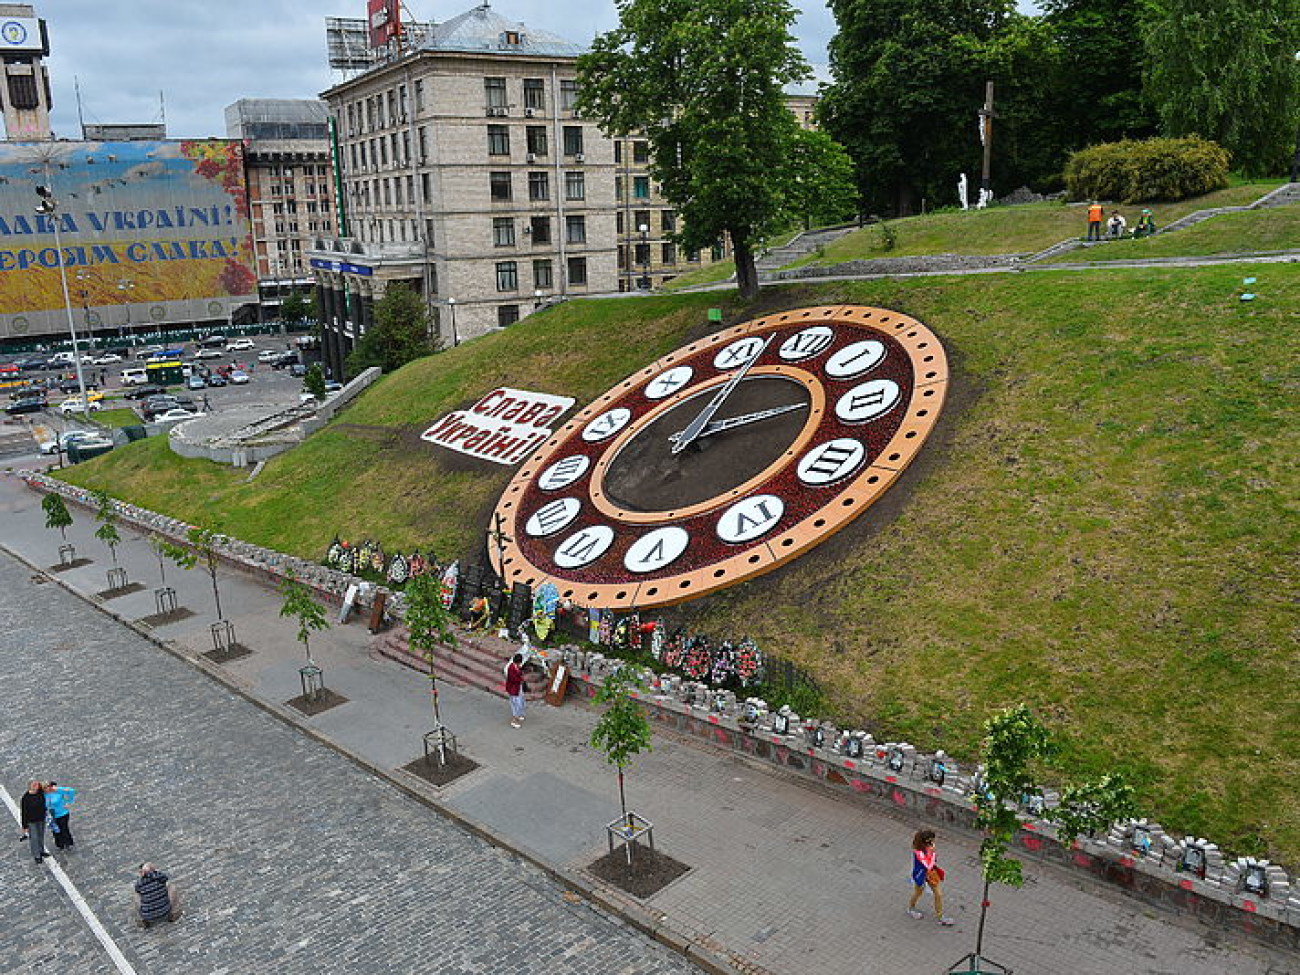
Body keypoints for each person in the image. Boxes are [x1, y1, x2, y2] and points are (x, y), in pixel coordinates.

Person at [907, 829, 954, 925]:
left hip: (930, 874)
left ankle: (940, 916)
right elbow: (927, 864)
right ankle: (911, 908)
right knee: (918, 892)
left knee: (938, 894)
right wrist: (932, 853)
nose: (934, 842)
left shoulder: (929, 847)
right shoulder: (918, 852)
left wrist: (932, 852)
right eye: (932, 840)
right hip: (921, 875)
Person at [20, 780, 49, 863]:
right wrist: (24, 826)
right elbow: (24, 812)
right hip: (31, 821)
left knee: (41, 836)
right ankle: (37, 855)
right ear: (30, 786)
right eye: (34, 785)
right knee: (34, 838)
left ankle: (41, 851)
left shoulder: (40, 792)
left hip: (41, 819)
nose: (36, 786)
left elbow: (48, 785)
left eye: (37, 784)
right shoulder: (25, 798)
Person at [44, 781, 76, 851]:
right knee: (55, 830)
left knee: (64, 828)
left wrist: (69, 802)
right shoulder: (43, 795)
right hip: (52, 816)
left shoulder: (58, 791)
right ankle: (60, 844)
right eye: (44, 788)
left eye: (47, 787)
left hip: (62, 813)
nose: (46, 789)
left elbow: (71, 791)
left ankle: (68, 843)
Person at [505, 652, 526, 728]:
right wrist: (521, 679)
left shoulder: (516, 667)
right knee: (516, 704)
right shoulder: (511, 668)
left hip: (517, 688)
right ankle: (514, 720)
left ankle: (519, 715)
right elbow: (513, 679)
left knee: (521, 702)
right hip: (513, 689)